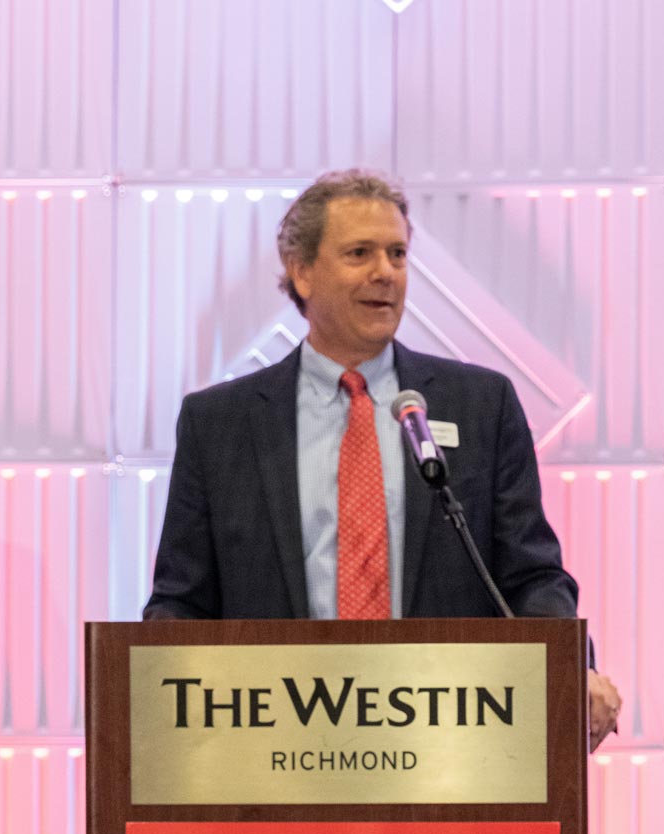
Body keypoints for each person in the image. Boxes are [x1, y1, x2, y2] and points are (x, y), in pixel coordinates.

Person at [143, 168, 621, 749]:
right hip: (275, 749)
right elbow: (181, 602)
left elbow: (530, 575)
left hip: (445, 744)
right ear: (301, 271)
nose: (385, 273)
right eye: (359, 253)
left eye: (397, 254)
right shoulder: (220, 424)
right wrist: (154, 697)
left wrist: (570, 666)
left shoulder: (478, 406)